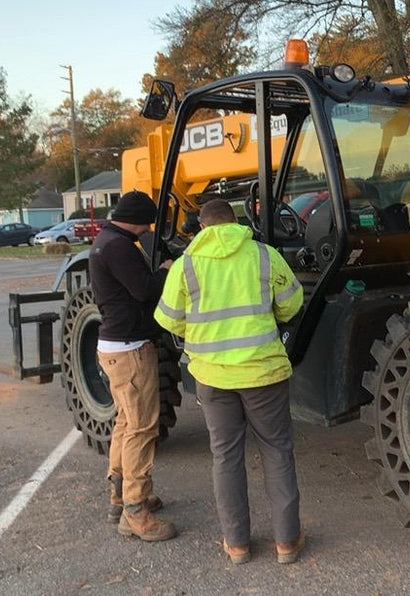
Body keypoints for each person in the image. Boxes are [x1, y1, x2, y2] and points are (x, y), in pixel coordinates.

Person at [153, 199, 305, 564]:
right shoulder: (263, 255)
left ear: (202, 227)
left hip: (213, 377)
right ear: (236, 224)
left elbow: (169, 319)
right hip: (263, 373)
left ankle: (237, 544)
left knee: (225, 456)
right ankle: (287, 542)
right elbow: (291, 303)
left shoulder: (187, 263)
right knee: (276, 450)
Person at [89, 190, 177, 542]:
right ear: (138, 218)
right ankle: (136, 512)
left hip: (114, 346)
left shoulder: (106, 241)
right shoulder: (119, 246)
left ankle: (119, 496)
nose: (148, 229)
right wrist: (165, 271)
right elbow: (143, 290)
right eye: (147, 222)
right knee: (142, 428)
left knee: (126, 423)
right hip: (130, 349)